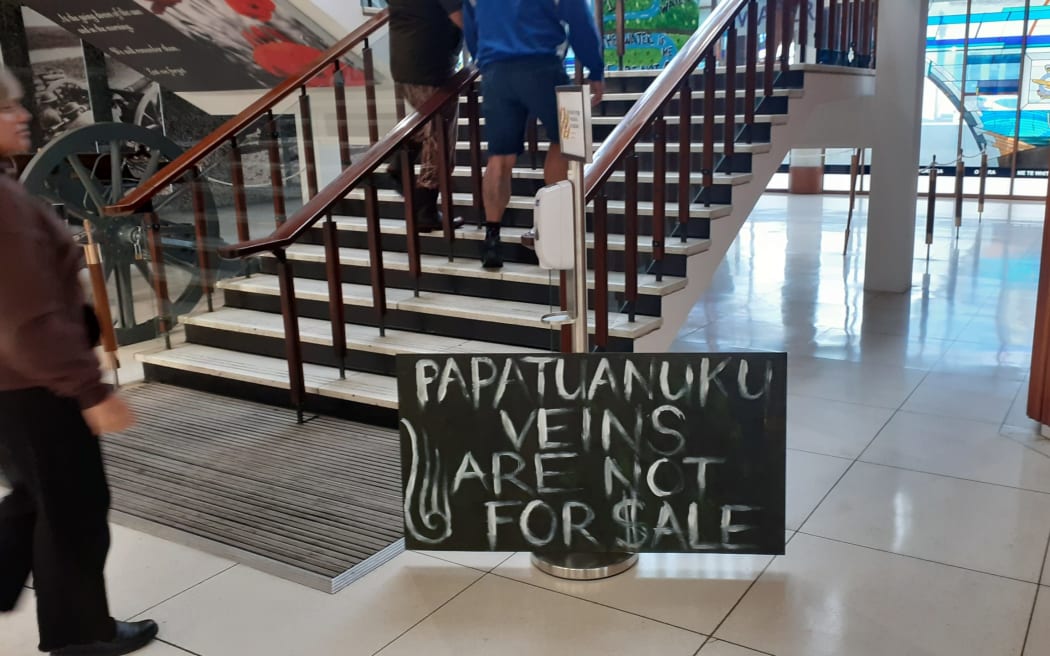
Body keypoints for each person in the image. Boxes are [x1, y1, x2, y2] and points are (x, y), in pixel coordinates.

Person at [0, 69, 158, 656]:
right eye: (7, 107)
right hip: (33, 384)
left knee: (35, 496)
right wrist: (90, 391)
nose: (23, 116)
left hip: (13, 382)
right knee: (74, 508)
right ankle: (81, 638)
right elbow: (28, 318)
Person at [464, 0, 605, 269]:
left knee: (500, 158)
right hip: (541, 65)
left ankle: (492, 241)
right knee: (564, 142)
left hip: (495, 73)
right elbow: (579, 21)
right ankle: (552, 229)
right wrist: (595, 69)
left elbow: (472, 31)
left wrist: (485, 59)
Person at [386, 0, 465, 233]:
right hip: (429, 66)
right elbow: (459, 17)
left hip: (405, 63)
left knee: (430, 127)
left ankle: (400, 164)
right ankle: (425, 209)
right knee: (441, 137)